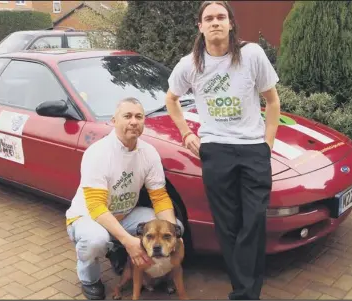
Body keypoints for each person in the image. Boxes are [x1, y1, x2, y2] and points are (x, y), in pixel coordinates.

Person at [165, 1, 280, 300]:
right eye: (209, 18)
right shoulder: (189, 64)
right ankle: (246, 293)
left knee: (253, 220)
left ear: (230, 23)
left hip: (253, 149)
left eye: (221, 17)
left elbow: (272, 100)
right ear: (200, 27)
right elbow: (171, 99)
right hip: (216, 150)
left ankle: (245, 290)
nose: (215, 22)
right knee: (228, 226)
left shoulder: (252, 54)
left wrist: (267, 145)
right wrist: (186, 133)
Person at [65, 97, 184, 300]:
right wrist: (128, 241)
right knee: (95, 240)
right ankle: (89, 279)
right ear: (114, 120)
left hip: (125, 214)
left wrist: (173, 233)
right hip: (89, 217)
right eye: (127, 116)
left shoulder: (149, 153)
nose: (134, 121)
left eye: (139, 117)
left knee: (175, 227)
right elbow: (96, 206)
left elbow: (160, 197)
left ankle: (123, 253)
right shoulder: (98, 153)